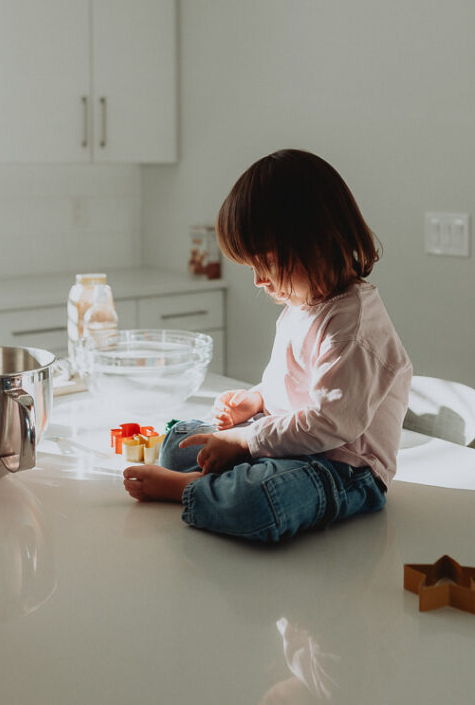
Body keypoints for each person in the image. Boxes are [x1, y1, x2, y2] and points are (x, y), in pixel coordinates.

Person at [123, 149, 413, 542]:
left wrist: (244, 441)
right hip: (292, 443)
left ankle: (186, 489)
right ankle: (214, 481)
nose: (259, 281)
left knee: (260, 499)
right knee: (177, 444)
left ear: (316, 242)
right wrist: (256, 401)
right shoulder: (301, 302)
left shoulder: (354, 327)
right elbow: (290, 386)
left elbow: (330, 423)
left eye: (267, 263)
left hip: (342, 468)